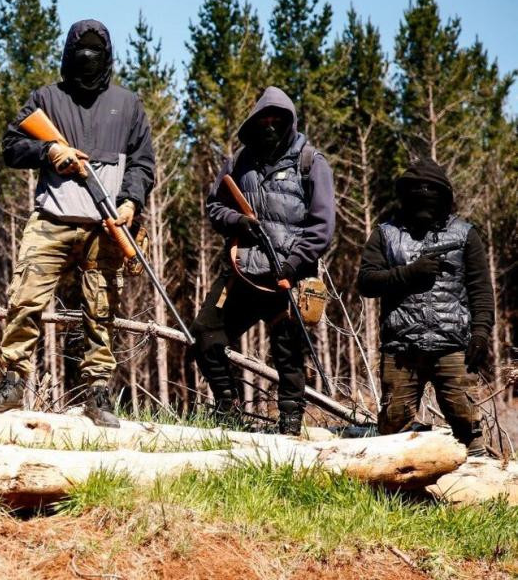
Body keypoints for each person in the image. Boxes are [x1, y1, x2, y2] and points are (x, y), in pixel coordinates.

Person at [0, 19, 155, 427]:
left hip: (105, 225)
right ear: (67, 54)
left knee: (101, 310)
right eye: (81, 50)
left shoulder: (127, 104)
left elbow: (143, 163)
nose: (87, 58)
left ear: (107, 55)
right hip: (51, 220)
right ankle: (13, 384)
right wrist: (49, 150)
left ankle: (98, 394)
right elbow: (11, 147)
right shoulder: (45, 99)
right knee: (25, 300)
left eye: (96, 50)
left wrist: (130, 201)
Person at [191, 86, 335, 435]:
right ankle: (228, 407)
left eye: (277, 120)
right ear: (255, 122)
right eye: (265, 119)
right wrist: (237, 221)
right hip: (243, 273)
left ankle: (289, 425)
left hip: (291, 276)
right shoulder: (239, 162)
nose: (270, 125)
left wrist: (294, 263)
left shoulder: (311, 162)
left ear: (289, 121)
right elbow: (215, 206)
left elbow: (323, 226)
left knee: (288, 353)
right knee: (205, 333)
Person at [357, 158, 493, 456]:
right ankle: (397, 496)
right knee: (392, 433)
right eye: (416, 189)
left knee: (469, 429)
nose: (423, 193)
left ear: (444, 194)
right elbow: (366, 282)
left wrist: (481, 333)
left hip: (453, 348)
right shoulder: (386, 234)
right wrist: (408, 273)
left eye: (431, 189)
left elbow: (481, 290)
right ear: (403, 194)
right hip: (401, 350)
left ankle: (476, 490)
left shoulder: (464, 234)